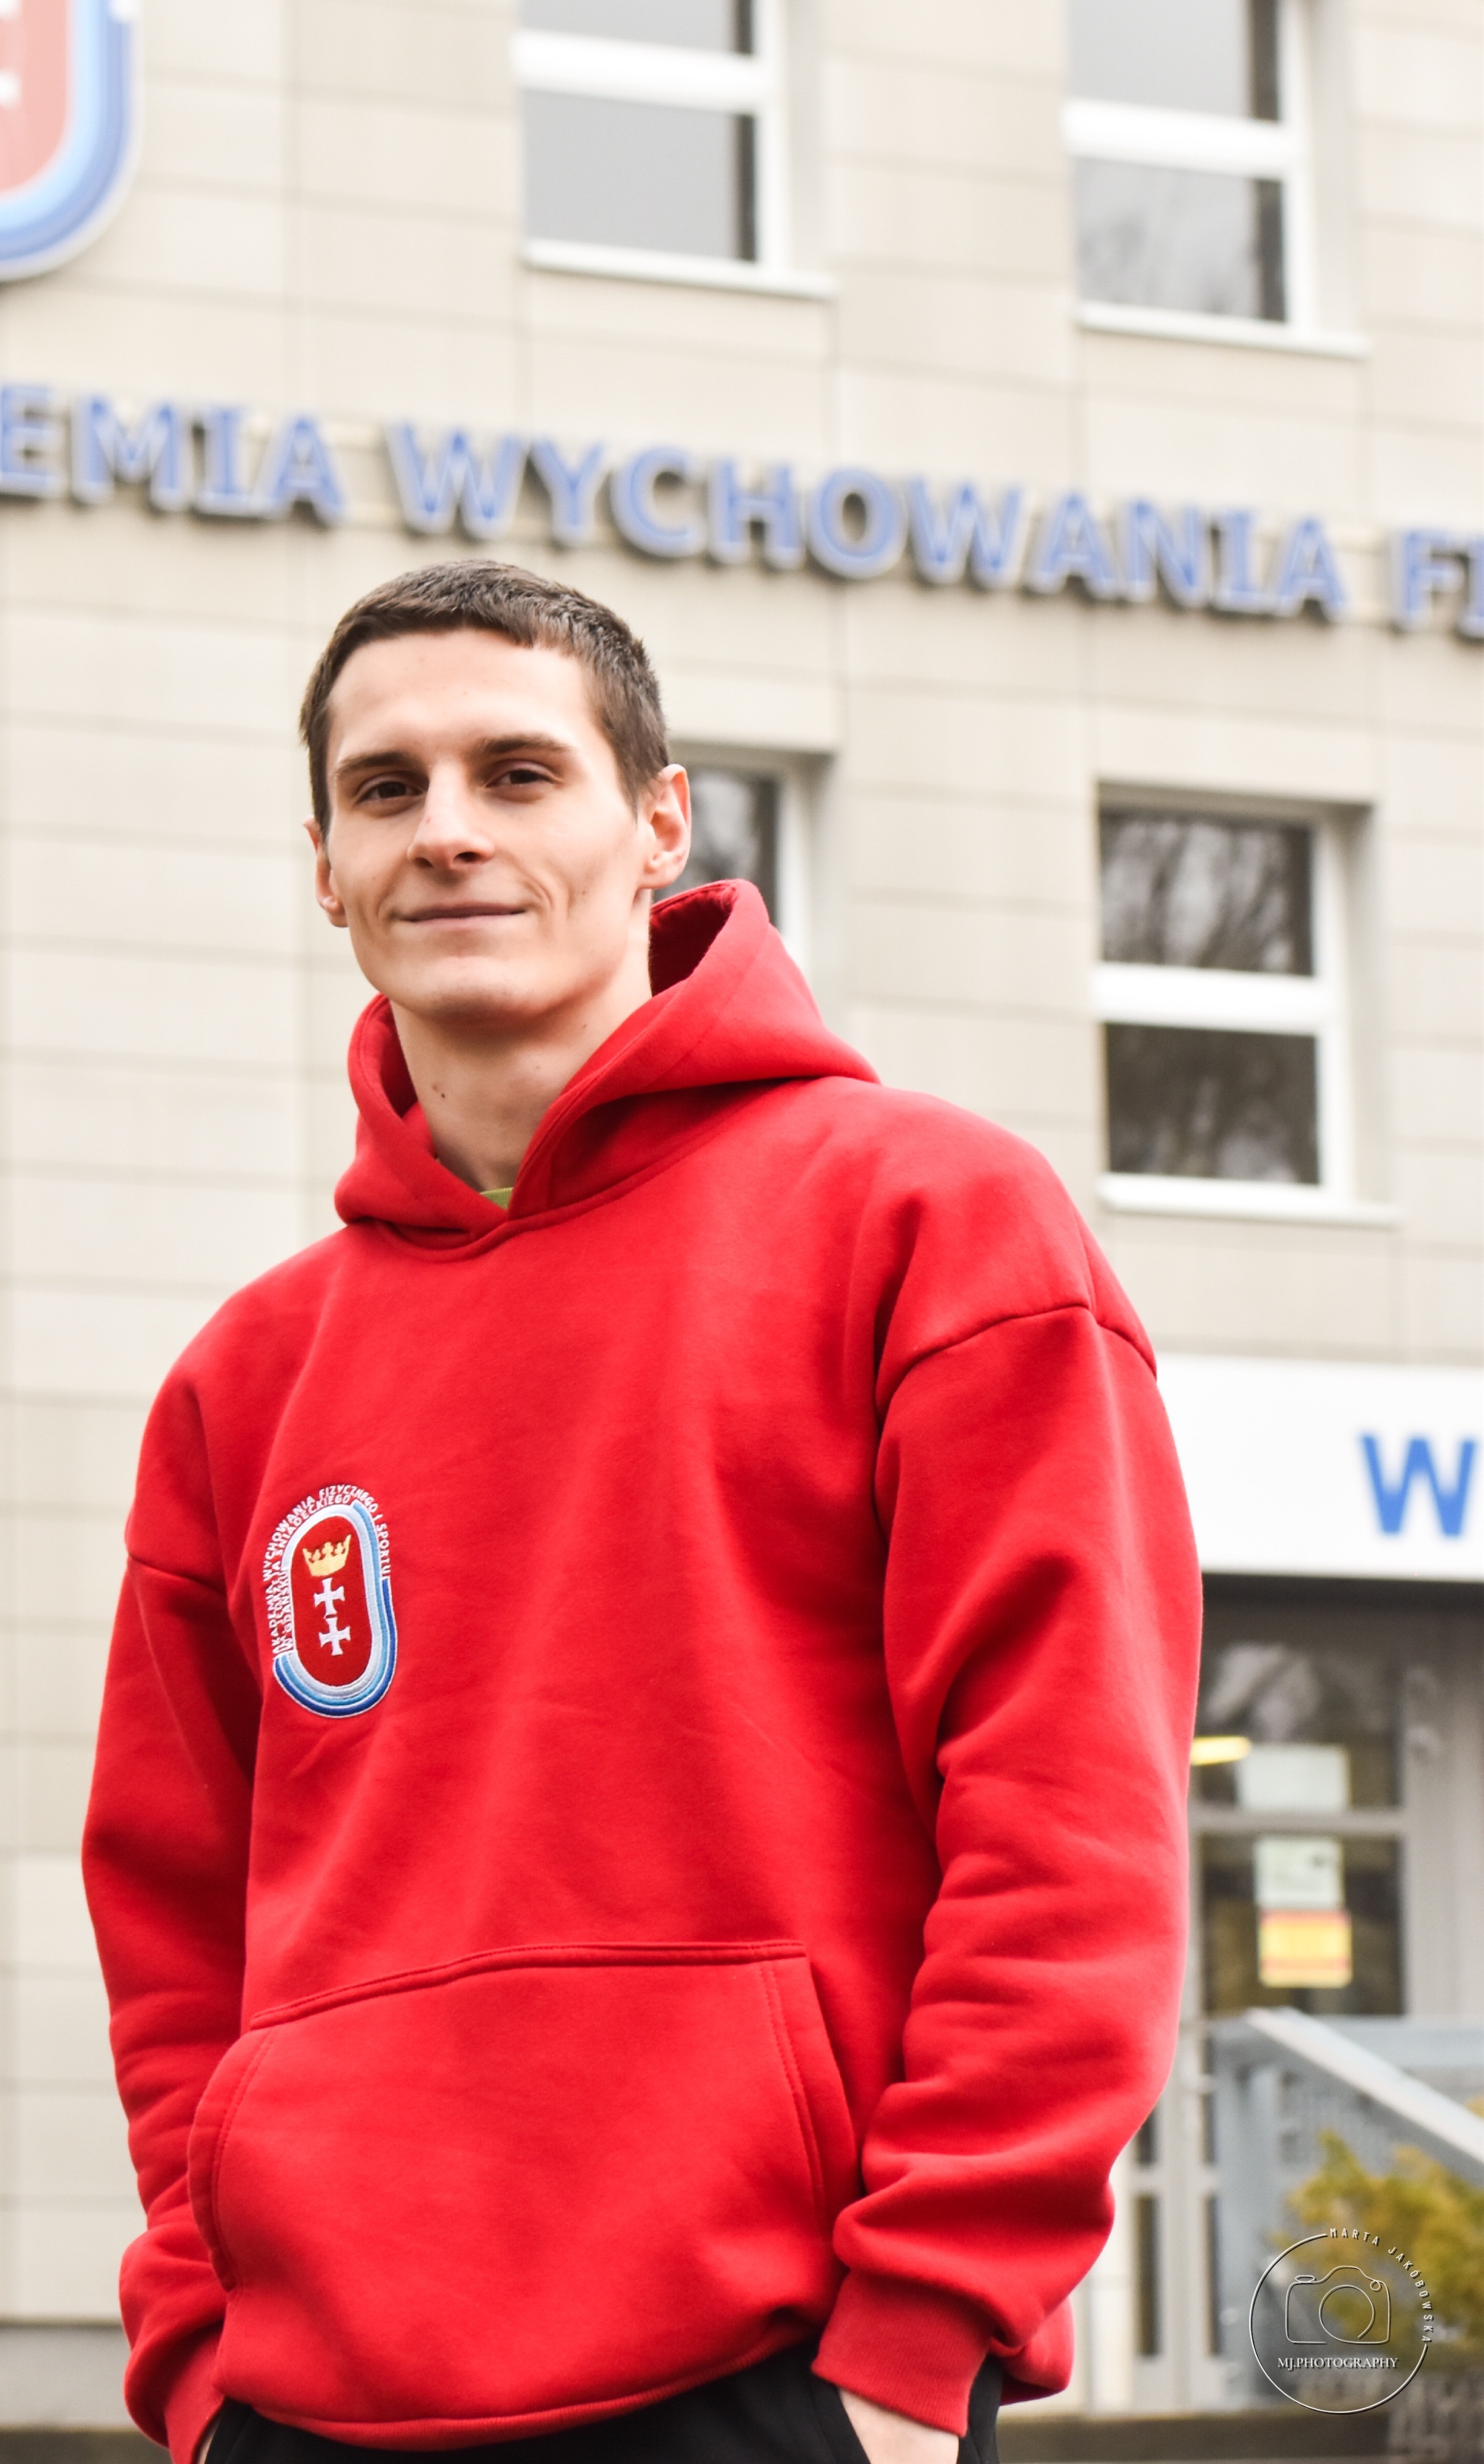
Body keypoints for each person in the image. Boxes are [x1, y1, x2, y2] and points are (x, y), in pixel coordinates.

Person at [84, 559, 1200, 2464]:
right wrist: (198, 2352)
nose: (447, 830)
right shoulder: (243, 1379)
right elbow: (173, 1915)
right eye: (386, 788)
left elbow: (1065, 1811)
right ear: (327, 866)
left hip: (781, 2377)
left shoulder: (930, 1225)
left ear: (659, 823)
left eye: (519, 773)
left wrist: (928, 2326)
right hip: (306, 2401)